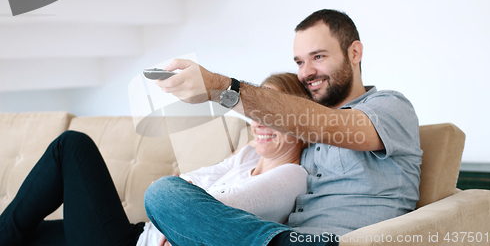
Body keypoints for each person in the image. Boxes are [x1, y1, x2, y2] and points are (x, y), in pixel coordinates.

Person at [147, 9, 422, 246]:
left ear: (354, 52)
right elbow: (257, 152)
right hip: (285, 236)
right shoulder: (301, 134)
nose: (306, 73)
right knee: (166, 193)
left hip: (335, 241)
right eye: (300, 62)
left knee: (162, 194)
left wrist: (220, 88)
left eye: (318, 57)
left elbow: (329, 125)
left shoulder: (390, 107)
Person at [0, 73, 311, 246]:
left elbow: (215, 211)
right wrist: (174, 195)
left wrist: (176, 197)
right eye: (258, 113)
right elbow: (189, 184)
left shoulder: (292, 176)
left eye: (275, 116)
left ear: (302, 125)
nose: (259, 123)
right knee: (29, 234)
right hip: (140, 233)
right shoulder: (247, 155)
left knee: (71, 146)